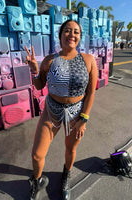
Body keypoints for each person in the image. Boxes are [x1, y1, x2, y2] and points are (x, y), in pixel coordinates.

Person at [25, 19, 98, 200]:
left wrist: (84, 119)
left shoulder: (88, 60)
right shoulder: (49, 61)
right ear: (60, 35)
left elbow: (90, 93)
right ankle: (38, 180)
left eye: (76, 32)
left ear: (79, 37)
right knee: (36, 155)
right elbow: (40, 85)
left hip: (76, 115)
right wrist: (35, 71)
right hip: (52, 112)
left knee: (70, 150)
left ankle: (66, 175)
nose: (71, 35)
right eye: (67, 30)